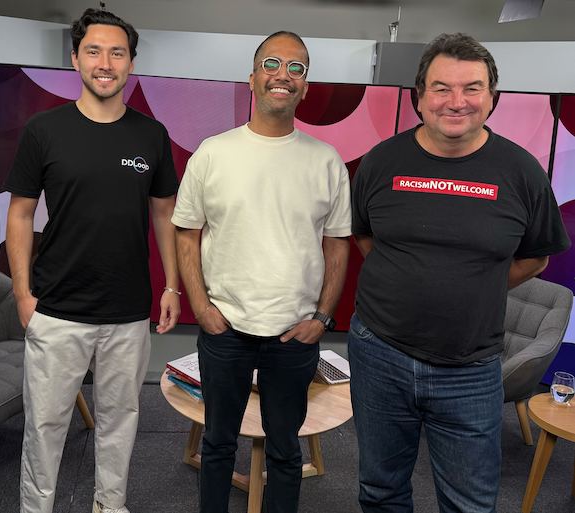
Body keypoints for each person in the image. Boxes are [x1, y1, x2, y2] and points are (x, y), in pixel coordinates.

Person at [350, 33, 570, 513]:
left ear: (492, 98)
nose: (457, 101)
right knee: (380, 490)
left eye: (472, 88)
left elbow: (537, 257)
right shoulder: (381, 161)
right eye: (441, 88)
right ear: (419, 97)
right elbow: (364, 235)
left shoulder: (522, 172)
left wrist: (477, 285)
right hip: (379, 352)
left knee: (470, 504)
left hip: (470, 368)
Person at [4, 8, 181, 513]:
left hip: (127, 310)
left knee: (120, 421)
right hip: (56, 309)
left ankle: (110, 505)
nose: (106, 63)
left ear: (131, 62)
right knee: (45, 427)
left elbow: (164, 214)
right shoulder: (44, 130)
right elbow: (20, 214)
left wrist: (171, 286)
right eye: (94, 51)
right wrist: (22, 295)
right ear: (76, 58)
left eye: (117, 53)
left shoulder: (151, 134)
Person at [173, 31, 351, 513]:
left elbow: (338, 243)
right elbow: (187, 233)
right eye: (272, 64)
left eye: (297, 68)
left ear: (305, 87)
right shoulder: (213, 153)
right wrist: (202, 308)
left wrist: (322, 318)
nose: (283, 75)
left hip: (294, 334)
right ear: (252, 79)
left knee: (285, 451)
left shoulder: (326, 161)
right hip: (225, 328)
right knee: (217, 445)